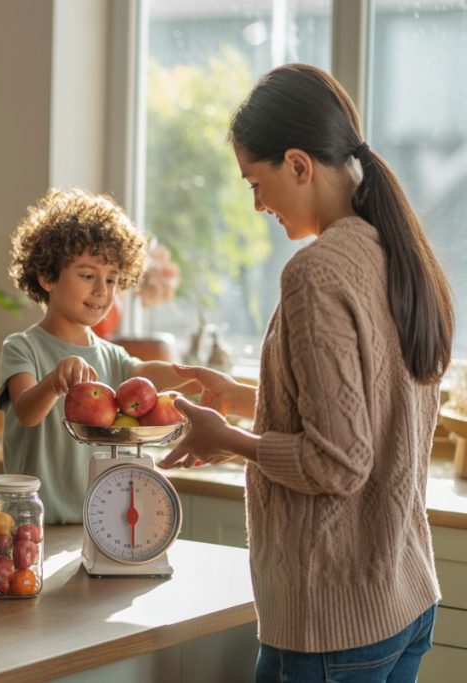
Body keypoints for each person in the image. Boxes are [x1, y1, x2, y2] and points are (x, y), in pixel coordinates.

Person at [158, 64, 453, 681]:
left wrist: (227, 440)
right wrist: (241, 398)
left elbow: (338, 461)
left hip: (333, 623)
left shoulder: (317, 272)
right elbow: (365, 400)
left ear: (298, 164)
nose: (258, 203)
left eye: (255, 182)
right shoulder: (393, 250)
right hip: (403, 597)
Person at [0, 188, 197, 523]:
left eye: (112, 279)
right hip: (33, 522)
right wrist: (54, 382)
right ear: (47, 276)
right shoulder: (22, 347)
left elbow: (147, 374)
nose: (102, 290)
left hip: (98, 521)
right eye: (88, 276)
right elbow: (27, 413)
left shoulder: (113, 357)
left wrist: (199, 375)